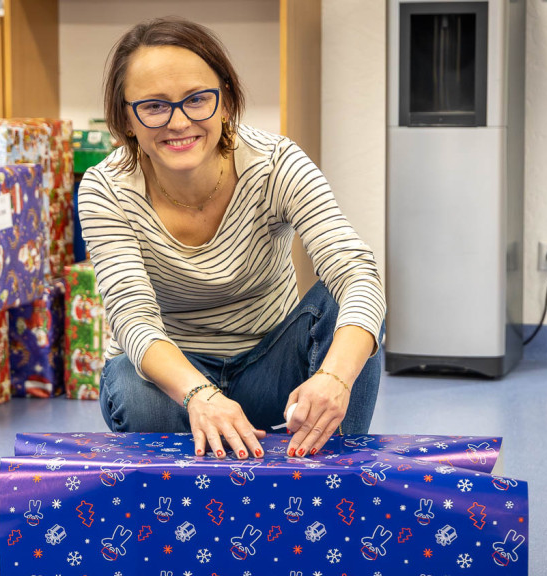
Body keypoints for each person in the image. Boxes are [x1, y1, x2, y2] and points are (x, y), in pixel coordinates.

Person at [78, 18, 385, 460]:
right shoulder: (105, 189)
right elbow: (134, 319)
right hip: (174, 381)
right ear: (126, 118)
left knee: (350, 307)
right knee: (130, 382)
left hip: (270, 366)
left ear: (226, 101)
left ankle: (330, 482)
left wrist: (335, 378)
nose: (179, 122)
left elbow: (356, 272)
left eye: (198, 99)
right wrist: (199, 393)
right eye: (153, 106)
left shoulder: (276, 163)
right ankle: (182, 509)